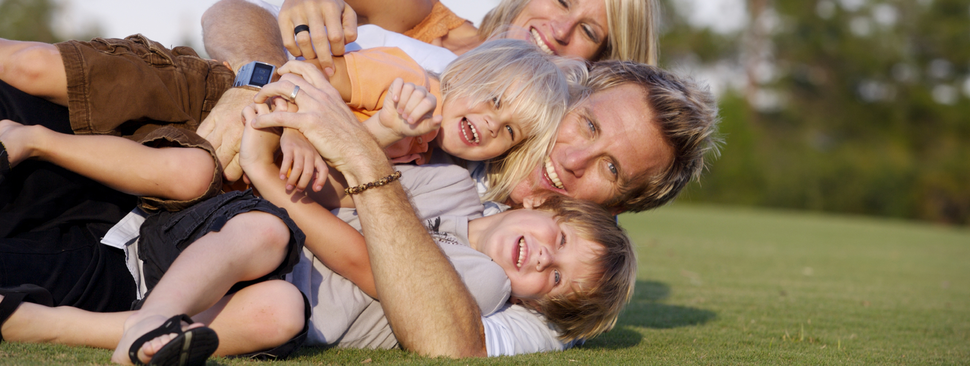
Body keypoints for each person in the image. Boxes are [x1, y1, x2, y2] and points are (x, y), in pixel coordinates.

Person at [248, 0, 659, 68]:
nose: (560, 29)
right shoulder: (422, 17)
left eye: (589, 30)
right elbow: (232, 10)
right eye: (562, 0)